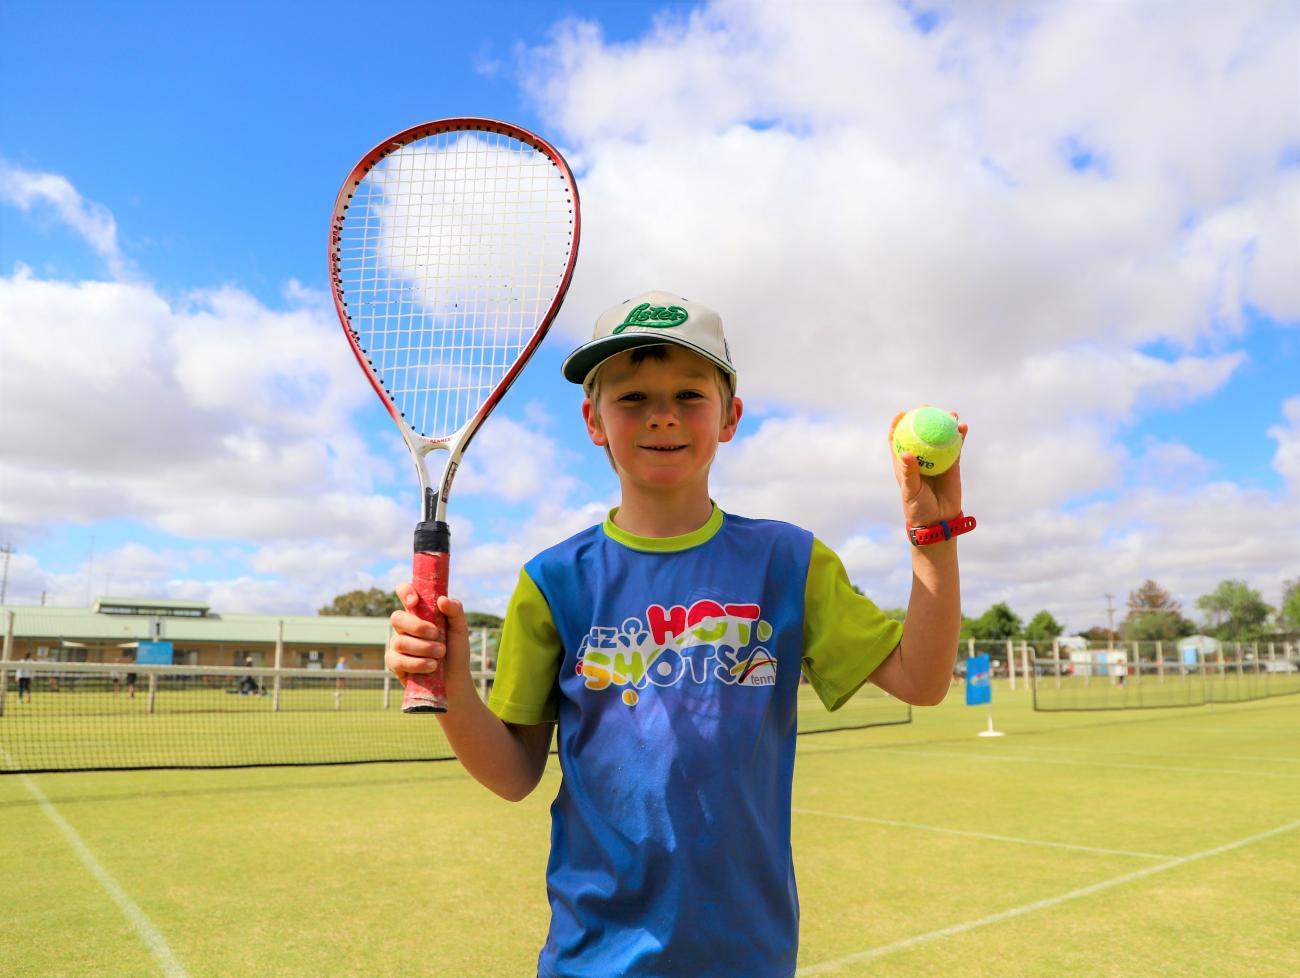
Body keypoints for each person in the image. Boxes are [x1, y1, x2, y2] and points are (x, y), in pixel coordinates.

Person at [385, 291, 968, 978]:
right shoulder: (553, 581)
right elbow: (514, 775)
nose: (661, 414)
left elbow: (922, 680)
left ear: (730, 417)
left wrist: (933, 537)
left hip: (747, 955)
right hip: (592, 959)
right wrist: (451, 683)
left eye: (689, 394)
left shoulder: (788, 561)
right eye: (632, 398)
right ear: (593, 421)